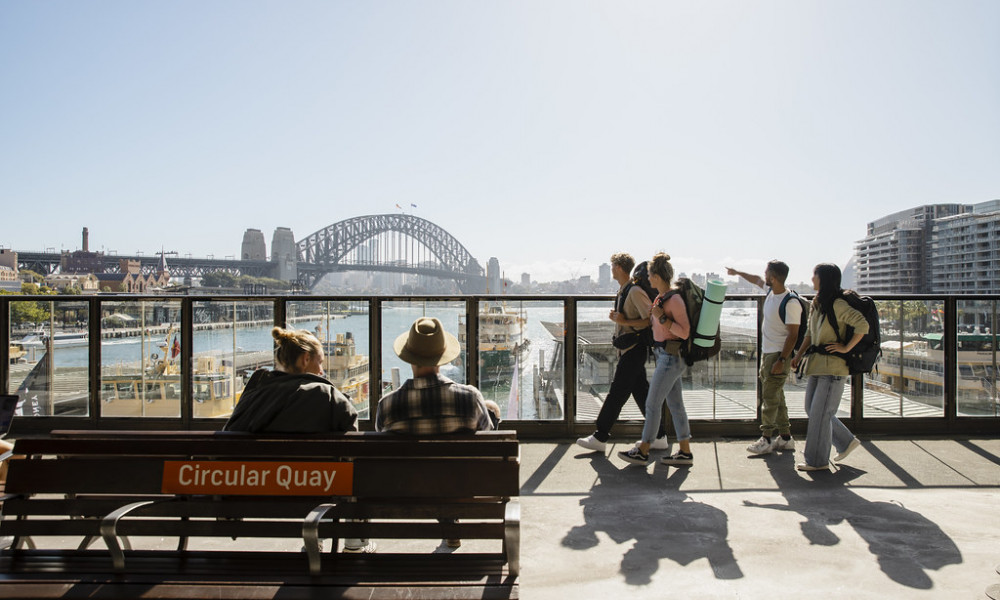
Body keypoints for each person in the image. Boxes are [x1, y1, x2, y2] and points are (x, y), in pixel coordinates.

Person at [223, 327, 369, 552]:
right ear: (305, 359)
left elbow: (230, 434)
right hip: (315, 488)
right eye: (320, 363)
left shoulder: (255, 394)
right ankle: (353, 542)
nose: (321, 371)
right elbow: (351, 437)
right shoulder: (326, 395)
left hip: (257, 489)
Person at [376, 316, 500, 548]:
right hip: (462, 488)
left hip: (406, 492)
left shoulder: (387, 404)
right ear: (441, 359)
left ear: (409, 358)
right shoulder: (470, 397)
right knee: (490, 413)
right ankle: (451, 519)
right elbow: (490, 443)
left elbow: (382, 447)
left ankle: (448, 519)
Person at [577, 254, 667, 453]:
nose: (611, 269)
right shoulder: (624, 290)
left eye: (612, 266)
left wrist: (624, 322)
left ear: (618, 267)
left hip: (635, 349)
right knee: (642, 393)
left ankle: (600, 436)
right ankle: (659, 436)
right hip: (628, 349)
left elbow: (651, 320)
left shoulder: (634, 291)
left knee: (617, 393)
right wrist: (619, 319)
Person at [618, 253, 693, 467]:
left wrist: (661, 318)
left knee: (652, 404)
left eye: (650, 275)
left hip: (671, 357)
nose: (647, 279)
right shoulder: (661, 298)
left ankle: (643, 450)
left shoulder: (674, 300)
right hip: (664, 356)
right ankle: (685, 452)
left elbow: (685, 332)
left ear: (658, 276)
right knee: (676, 405)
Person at [790, 264, 867, 472]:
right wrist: (798, 355)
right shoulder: (818, 303)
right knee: (813, 410)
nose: (811, 278)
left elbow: (862, 325)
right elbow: (809, 334)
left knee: (820, 413)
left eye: (814, 275)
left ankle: (817, 461)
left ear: (823, 279)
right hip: (817, 365)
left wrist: (845, 348)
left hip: (833, 369)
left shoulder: (837, 304)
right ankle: (846, 441)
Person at [727, 261, 800, 455]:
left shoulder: (790, 301)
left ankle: (766, 439)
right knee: (777, 397)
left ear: (773, 278)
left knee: (769, 398)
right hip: (768, 354)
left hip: (777, 356)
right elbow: (755, 279)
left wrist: (782, 360)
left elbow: (793, 335)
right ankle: (785, 438)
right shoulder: (771, 293)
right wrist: (737, 272)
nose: (763, 276)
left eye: (766, 273)